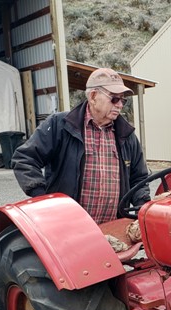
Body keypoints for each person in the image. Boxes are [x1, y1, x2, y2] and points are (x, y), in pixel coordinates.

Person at [11, 67, 150, 224]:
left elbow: (139, 178)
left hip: (112, 231)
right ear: (93, 96)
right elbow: (24, 158)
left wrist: (143, 206)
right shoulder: (60, 125)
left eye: (122, 100)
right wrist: (42, 197)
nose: (120, 105)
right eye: (114, 99)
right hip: (68, 227)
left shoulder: (127, 135)